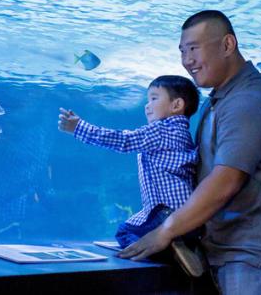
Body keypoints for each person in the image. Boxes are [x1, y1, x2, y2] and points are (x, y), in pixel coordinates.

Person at [119, 10, 261, 294]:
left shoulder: (247, 101)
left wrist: (167, 230)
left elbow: (227, 180)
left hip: (258, 262)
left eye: (194, 49)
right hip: (237, 258)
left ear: (228, 45)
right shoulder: (219, 100)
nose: (187, 61)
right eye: (182, 51)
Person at [58, 74, 206, 277]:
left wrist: (80, 128)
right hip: (188, 216)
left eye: (154, 98)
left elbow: (123, 141)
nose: (147, 105)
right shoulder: (183, 136)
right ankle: (187, 245)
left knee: (125, 232)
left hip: (165, 214)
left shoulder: (160, 131)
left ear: (176, 105)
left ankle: (168, 251)